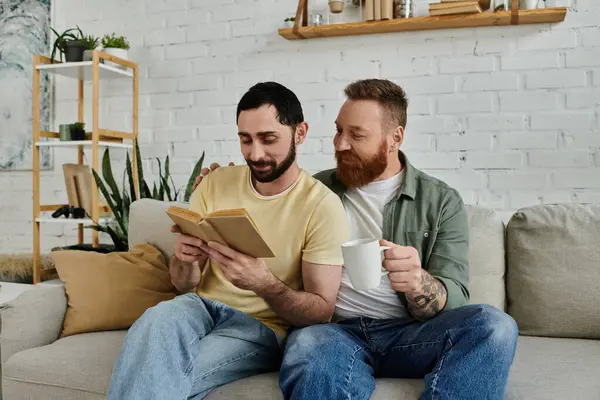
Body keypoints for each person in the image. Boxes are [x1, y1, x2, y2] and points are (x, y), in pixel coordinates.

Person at [194, 79, 519, 400]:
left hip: (409, 333)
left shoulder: (440, 201)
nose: (340, 144)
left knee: (494, 326)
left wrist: (419, 282)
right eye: (338, 130)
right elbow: (263, 195)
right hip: (335, 330)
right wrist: (226, 180)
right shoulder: (315, 191)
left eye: (356, 135)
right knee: (309, 346)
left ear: (395, 138)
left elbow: (457, 296)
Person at [107, 82, 350, 400]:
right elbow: (184, 284)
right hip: (198, 306)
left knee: (158, 375)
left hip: (260, 326)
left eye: (268, 139)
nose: (255, 153)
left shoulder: (322, 206)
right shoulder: (215, 182)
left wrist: (265, 284)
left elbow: (322, 311)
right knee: (155, 318)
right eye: (245, 140)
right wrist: (184, 259)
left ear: (300, 132)